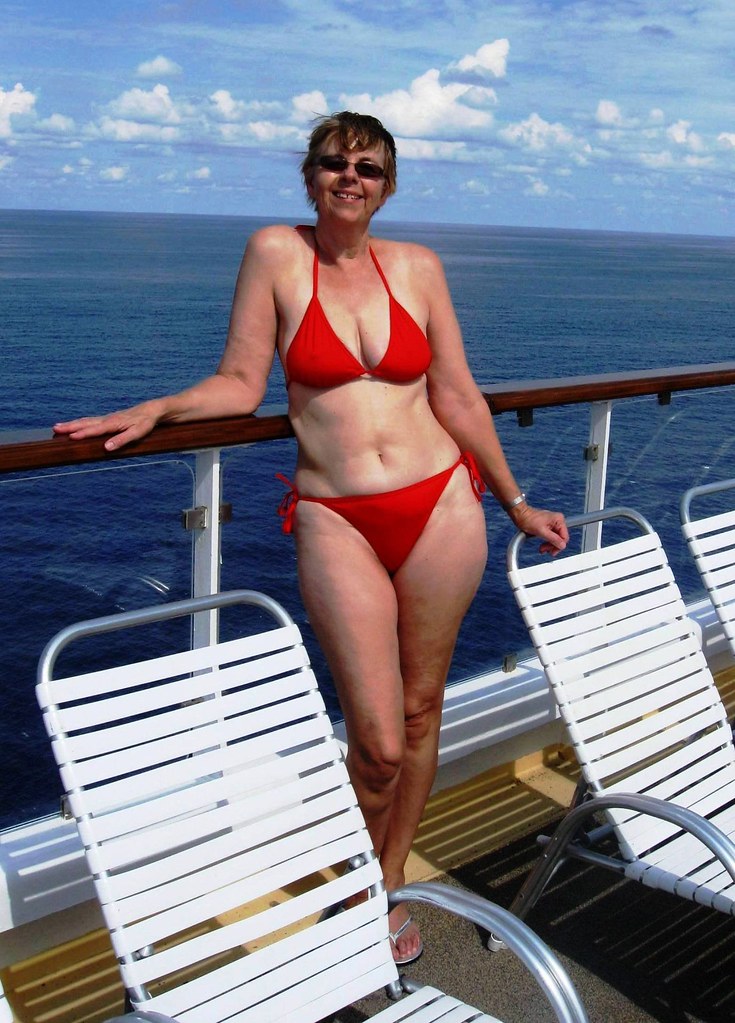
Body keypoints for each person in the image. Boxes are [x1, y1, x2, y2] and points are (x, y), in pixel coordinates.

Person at [54, 111, 568, 965]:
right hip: (337, 514)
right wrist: (158, 408)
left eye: (368, 167)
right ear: (309, 176)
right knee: (376, 739)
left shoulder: (419, 268)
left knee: (421, 706)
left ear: (388, 184)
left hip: (443, 502)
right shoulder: (275, 255)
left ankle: (382, 884)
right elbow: (240, 381)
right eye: (333, 162)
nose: (349, 177)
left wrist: (514, 500)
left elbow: (458, 395)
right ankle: (361, 882)